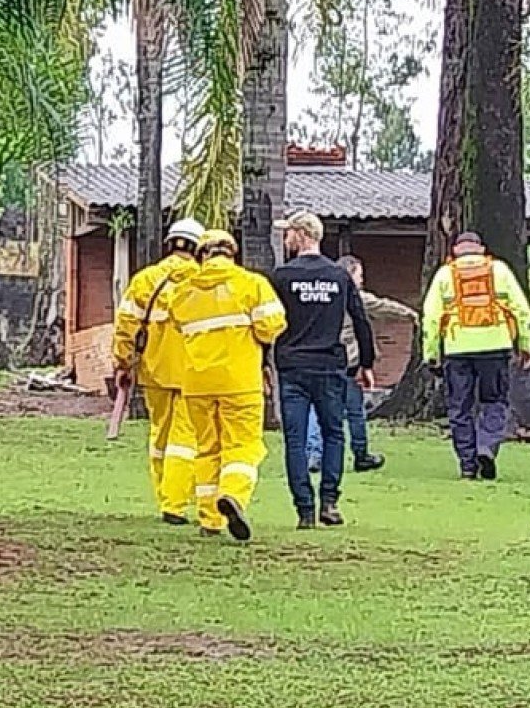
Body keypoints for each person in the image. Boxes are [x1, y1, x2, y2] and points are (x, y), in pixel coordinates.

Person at [168, 229, 286, 542]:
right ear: (232, 253)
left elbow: (178, 322)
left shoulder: (182, 292)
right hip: (240, 382)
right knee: (243, 446)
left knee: (207, 449)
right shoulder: (252, 284)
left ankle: (210, 519)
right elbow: (272, 327)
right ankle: (233, 495)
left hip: (197, 383)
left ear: (201, 255)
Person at [271, 213, 375, 529]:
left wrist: (264, 361)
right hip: (330, 367)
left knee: (295, 438)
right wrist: (366, 363)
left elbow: (268, 322)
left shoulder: (281, 276)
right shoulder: (338, 276)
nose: (285, 238)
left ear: (301, 234)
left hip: (292, 367)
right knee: (333, 433)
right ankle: (329, 500)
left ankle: (304, 509)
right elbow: (360, 319)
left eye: (288, 232)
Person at [111, 219, 205, 524]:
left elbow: (126, 326)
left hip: (155, 372)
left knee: (160, 435)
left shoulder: (146, 280)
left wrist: (123, 363)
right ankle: (174, 505)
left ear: (170, 243)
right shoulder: (204, 282)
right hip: (195, 373)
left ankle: (164, 495)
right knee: (185, 440)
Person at [421, 231, 530, 481]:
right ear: (481, 249)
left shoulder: (445, 274)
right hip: (496, 347)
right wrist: (527, 345)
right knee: (495, 401)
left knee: (459, 408)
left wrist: (431, 355)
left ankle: (467, 465)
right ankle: (486, 447)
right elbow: (521, 311)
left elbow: (430, 318)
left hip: (457, 350)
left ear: (456, 250)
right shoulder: (500, 270)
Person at [307, 254, 386, 475]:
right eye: (360, 275)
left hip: (321, 360)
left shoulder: (321, 296)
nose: (362, 280)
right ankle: (361, 454)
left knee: (317, 407)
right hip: (348, 362)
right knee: (355, 411)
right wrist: (410, 314)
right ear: (350, 274)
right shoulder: (357, 298)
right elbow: (383, 306)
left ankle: (315, 454)